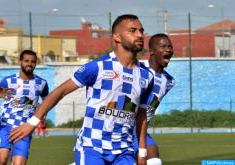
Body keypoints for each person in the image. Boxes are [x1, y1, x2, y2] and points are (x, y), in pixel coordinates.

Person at [10, 14, 154, 165]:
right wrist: (32, 123)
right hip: (92, 148)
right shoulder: (98, 67)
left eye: (141, 31)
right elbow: (60, 92)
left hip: (125, 151)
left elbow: (141, 116)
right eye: (133, 30)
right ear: (117, 37)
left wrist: (142, 152)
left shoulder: (146, 76)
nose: (139, 35)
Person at [0, 50, 49, 165]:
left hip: (25, 128)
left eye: (33, 61)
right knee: (2, 158)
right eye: (26, 61)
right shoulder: (8, 81)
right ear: (20, 62)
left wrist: (43, 116)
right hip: (5, 124)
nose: (29, 64)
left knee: (19, 163)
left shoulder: (42, 83)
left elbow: (47, 102)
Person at [135, 33, 176, 165]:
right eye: (163, 46)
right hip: (120, 128)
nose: (168, 49)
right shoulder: (137, 68)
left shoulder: (169, 81)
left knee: (154, 159)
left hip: (140, 130)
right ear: (151, 51)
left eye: (170, 46)